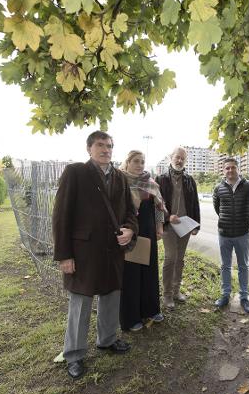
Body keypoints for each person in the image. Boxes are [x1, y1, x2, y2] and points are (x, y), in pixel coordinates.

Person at [52, 131, 138, 380]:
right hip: (83, 253)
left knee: (111, 297)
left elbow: (131, 212)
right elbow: (61, 216)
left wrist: (131, 230)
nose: (106, 150)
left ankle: (107, 340)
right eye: (100, 145)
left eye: (109, 146)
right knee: (81, 304)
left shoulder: (121, 178)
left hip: (113, 252)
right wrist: (64, 255)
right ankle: (75, 354)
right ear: (89, 148)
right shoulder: (75, 173)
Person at [119, 150, 166, 332]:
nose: (140, 165)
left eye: (143, 161)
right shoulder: (119, 181)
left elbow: (159, 207)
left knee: (149, 272)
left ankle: (151, 310)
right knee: (131, 276)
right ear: (128, 162)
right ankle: (131, 318)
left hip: (148, 233)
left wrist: (160, 227)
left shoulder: (150, 183)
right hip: (128, 234)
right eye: (136, 161)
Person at [155, 147, 200, 309]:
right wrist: (167, 218)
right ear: (171, 157)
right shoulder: (161, 179)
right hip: (168, 226)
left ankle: (176, 291)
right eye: (177, 157)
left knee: (180, 260)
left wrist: (196, 225)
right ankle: (167, 294)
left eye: (182, 158)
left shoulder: (189, 180)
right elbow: (156, 204)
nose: (179, 160)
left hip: (186, 225)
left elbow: (195, 203)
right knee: (170, 258)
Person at [212, 158, 249, 313]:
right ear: (223, 170)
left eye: (233, 167)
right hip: (224, 234)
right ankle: (225, 296)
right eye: (227, 168)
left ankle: (244, 298)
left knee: (243, 266)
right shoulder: (219, 187)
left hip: (242, 234)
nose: (230, 171)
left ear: (238, 169)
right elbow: (217, 207)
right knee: (225, 266)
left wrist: (245, 221)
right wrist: (228, 221)